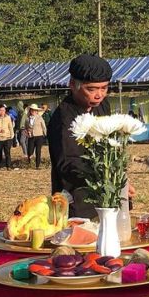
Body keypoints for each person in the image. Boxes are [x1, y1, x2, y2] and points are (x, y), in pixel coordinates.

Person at [49, 54, 115, 218]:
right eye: (91, 89)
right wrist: (102, 177)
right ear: (73, 85)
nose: (99, 95)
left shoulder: (103, 106)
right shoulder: (63, 118)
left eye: (104, 88)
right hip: (77, 198)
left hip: (107, 194)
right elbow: (67, 164)